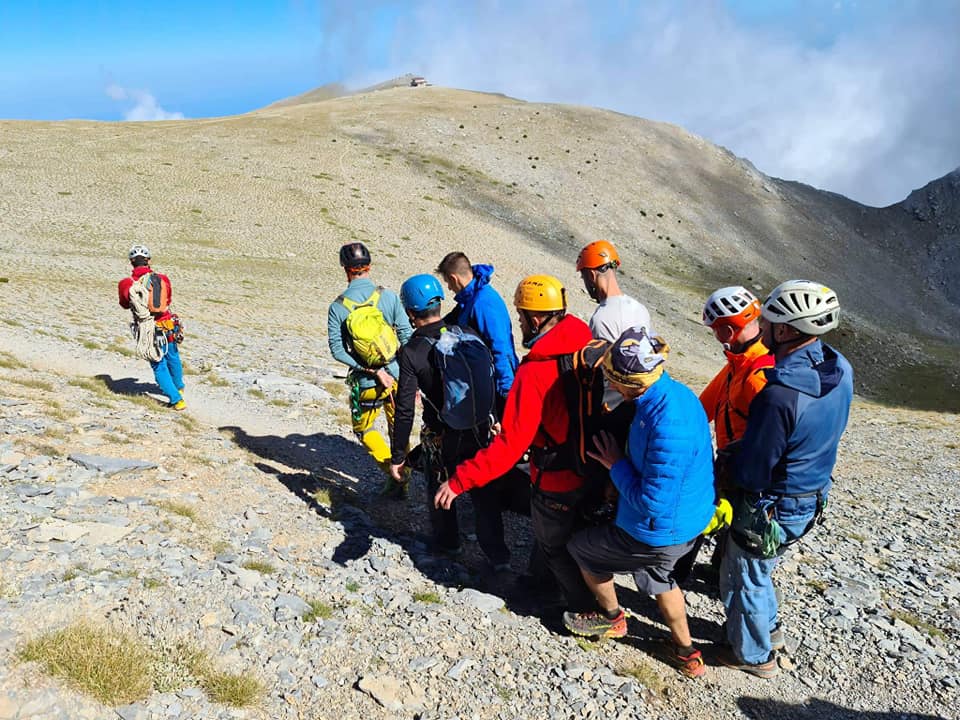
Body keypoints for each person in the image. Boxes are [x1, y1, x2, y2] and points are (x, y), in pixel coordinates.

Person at [435, 275, 597, 612]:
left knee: (553, 541)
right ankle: (540, 580)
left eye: (521, 316)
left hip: (556, 473)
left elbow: (510, 446)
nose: (520, 323)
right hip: (593, 462)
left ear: (536, 319)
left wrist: (459, 480)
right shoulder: (584, 340)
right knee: (561, 532)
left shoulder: (536, 370)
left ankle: (575, 606)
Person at [561, 327, 715, 679]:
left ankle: (613, 618)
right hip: (690, 519)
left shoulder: (666, 425)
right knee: (660, 578)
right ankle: (687, 653)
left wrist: (616, 465)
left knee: (583, 549)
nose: (612, 387)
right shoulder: (676, 394)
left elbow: (652, 503)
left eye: (616, 382)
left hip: (660, 529)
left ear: (636, 382)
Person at [719, 280, 853, 678]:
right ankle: (770, 631)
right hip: (812, 494)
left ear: (788, 330)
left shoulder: (778, 395)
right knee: (761, 570)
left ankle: (755, 656)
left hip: (775, 505)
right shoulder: (838, 367)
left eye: (770, 322)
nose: (762, 328)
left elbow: (754, 471)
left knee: (745, 575)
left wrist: (725, 470)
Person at [388, 274, 513, 564]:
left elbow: (405, 407)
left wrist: (398, 455)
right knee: (484, 491)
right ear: (440, 302)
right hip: (480, 426)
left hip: (441, 434)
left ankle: (448, 543)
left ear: (409, 312)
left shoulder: (412, 352)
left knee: (438, 481)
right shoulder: (464, 331)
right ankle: (498, 556)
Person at [327, 242, 413, 494]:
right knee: (399, 430)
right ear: (369, 267)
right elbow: (406, 335)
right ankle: (401, 481)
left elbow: (337, 350)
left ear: (345, 269)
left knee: (364, 429)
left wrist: (372, 371)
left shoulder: (338, 307)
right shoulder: (388, 297)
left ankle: (396, 475)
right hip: (398, 376)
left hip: (367, 383)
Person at [698, 286, 774, 571]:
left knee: (738, 523)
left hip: (746, 469)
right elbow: (703, 406)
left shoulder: (756, 376)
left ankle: (729, 579)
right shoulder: (741, 361)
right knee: (732, 520)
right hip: (737, 464)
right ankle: (720, 569)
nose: (715, 336)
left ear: (728, 331)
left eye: (716, 329)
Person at [436, 252, 519, 417]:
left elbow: (500, 347)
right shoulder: (470, 299)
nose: (449, 288)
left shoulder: (483, 303)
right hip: (483, 380)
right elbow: (447, 324)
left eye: (448, 283)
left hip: (497, 385)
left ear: (454, 278)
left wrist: (507, 391)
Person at [117, 245, 185, 410]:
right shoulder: (162, 278)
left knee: (157, 362)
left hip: (148, 328)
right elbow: (167, 299)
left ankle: (176, 400)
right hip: (167, 324)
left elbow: (125, 304)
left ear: (131, 262)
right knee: (173, 357)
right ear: (148, 260)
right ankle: (179, 388)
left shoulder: (126, 283)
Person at [576, 240, 653, 342]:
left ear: (591, 275)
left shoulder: (601, 320)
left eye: (583, 277)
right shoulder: (641, 309)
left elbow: (602, 357)